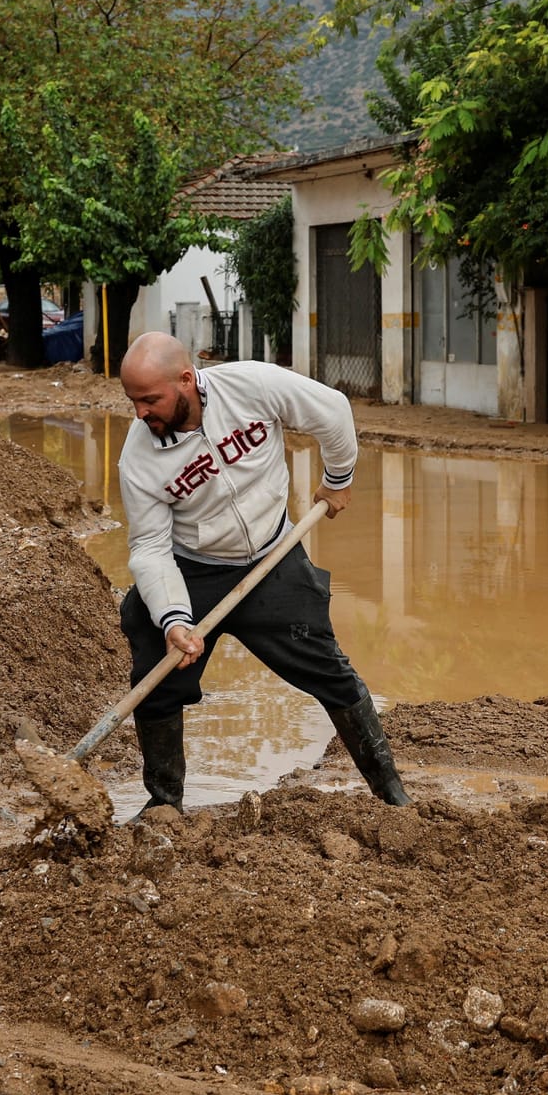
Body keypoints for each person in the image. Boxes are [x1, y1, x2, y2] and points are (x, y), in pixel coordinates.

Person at [116, 332, 410, 812]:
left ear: (187, 380)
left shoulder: (250, 385)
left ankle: (391, 791)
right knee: (156, 678)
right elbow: (149, 546)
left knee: (331, 673)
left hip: (273, 556)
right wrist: (173, 619)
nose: (140, 413)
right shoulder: (140, 458)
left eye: (150, 399)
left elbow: (332, 411)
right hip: (193, 569)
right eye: (133, 401)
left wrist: (338, 478)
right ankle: (164, 805)